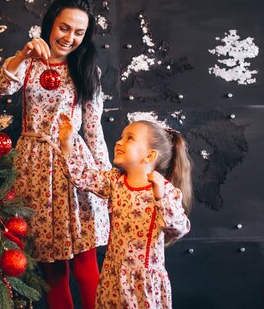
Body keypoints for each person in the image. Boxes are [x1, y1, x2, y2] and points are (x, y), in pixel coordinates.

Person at [0, 0, 111, 309]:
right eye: (64, 28)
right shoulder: (28, 63)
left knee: (87, 268)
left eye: (79, 32)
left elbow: (93, 127)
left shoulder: (86, 69)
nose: (70, 38)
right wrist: (22, 54)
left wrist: (104, 181)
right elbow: (1, 86)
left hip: (74, 165)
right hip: (33, 168)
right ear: (49, 25)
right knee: (53, 271)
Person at [58, 115, 192, 309]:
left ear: (150, 156)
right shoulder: (115, 181)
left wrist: (161, 197)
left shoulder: (164, 191)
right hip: (112, 277)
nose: (119, 142)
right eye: (121, 137)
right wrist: (67, 142)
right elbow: (81, 177)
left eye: (130, 138)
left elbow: (179, 229)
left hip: (142, 282)